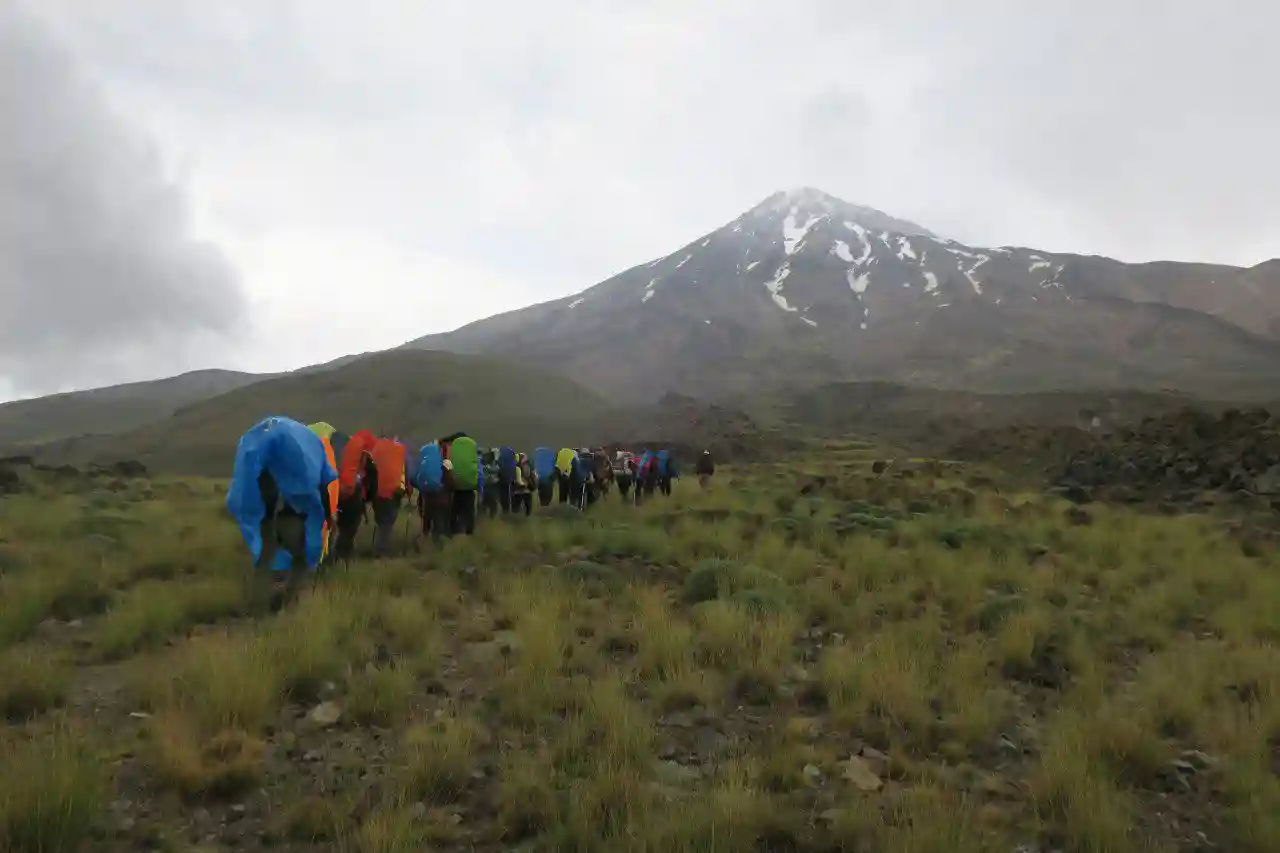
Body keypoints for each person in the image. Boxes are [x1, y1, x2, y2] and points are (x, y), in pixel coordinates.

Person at [227, 416, 338, 612]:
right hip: (293, 518)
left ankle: (260, 603)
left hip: (265, 516)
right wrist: (328, 517)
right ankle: (285, 602)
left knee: (266, 557)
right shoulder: (309, 453)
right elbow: (322, 487)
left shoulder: (262, 457)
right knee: (299, 559)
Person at [511, 451, 535, 516]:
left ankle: (515, 519)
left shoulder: (514, 467)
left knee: (515, 508)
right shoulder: (527, 466)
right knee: (528, 507)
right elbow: (530, 476)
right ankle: (527, 519)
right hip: (527, 490)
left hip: (517, 491)